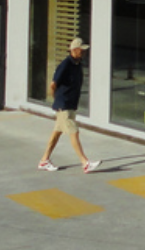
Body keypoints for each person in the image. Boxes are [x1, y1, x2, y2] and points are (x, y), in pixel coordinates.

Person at [38, 37, 100, 173]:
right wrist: (57, 99)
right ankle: (85, 162)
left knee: (56, 133)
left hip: (71, 105)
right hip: (64, 106)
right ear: (75, 50)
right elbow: (53, 84)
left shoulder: (78, 64)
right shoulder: (65, 64)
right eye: (82, 50)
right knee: (74, 131)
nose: (84, 53)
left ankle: (44, 160)